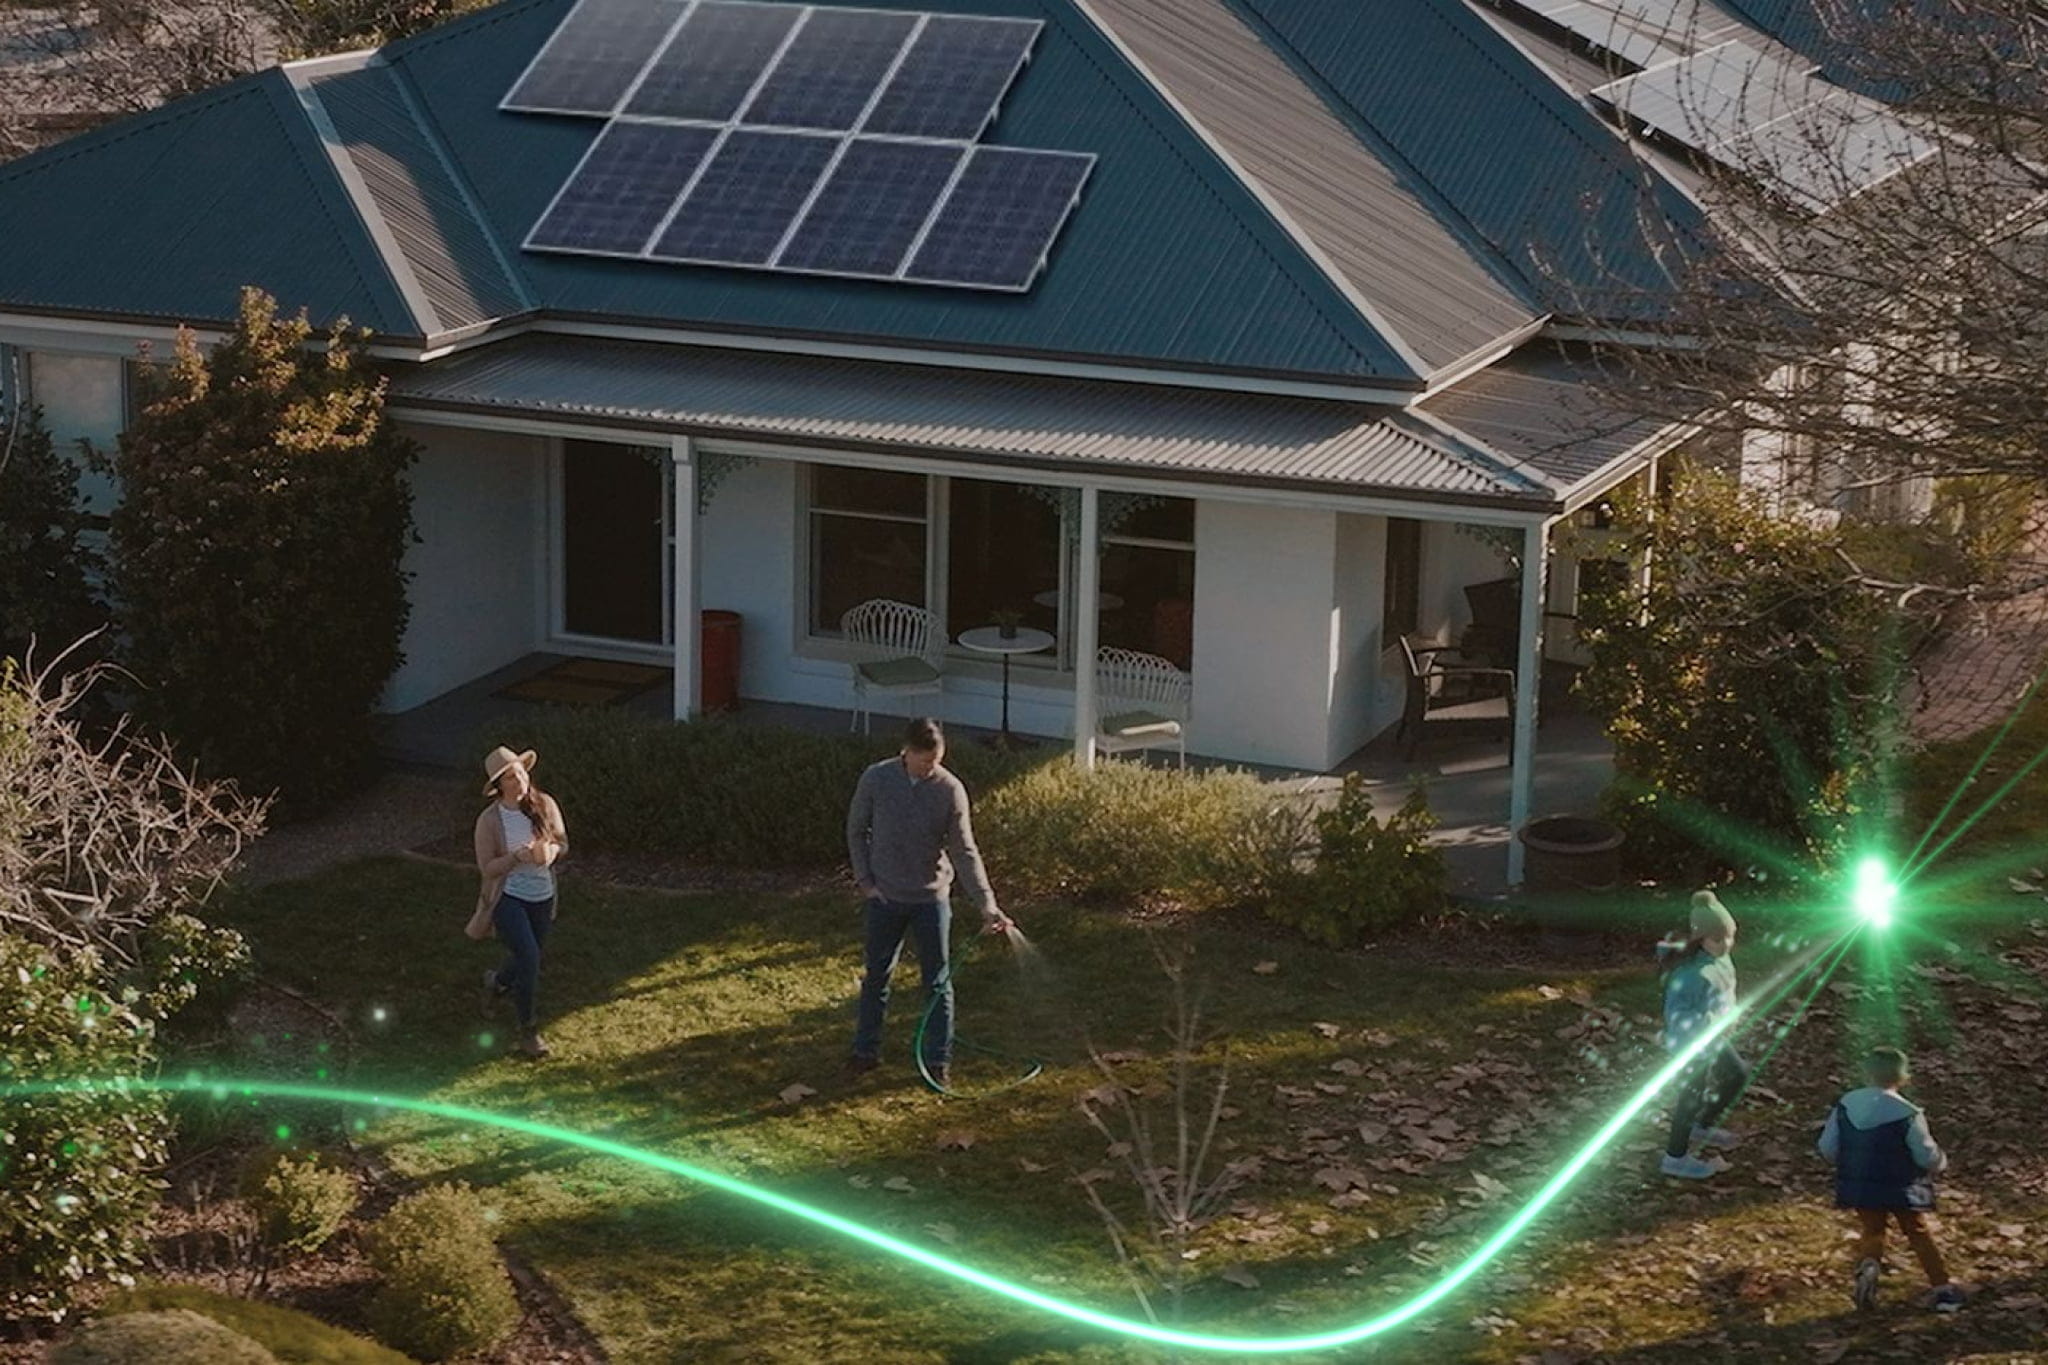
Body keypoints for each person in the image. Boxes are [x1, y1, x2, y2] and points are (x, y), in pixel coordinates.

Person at [845, 717, 1013, 1088]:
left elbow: (965, 851)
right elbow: (856, 830)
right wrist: (866, 882)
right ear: (907, 751)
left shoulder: (949, 790)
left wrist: (987, 903)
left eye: (936, 760)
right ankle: (865, 1052)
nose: (931, 767)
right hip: (884, 897)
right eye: (925, 760)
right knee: (877, 976)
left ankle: (938, 1062)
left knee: (937, 982)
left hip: (930, 899)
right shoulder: (877, 778)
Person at [1818, 1046, 1963, 1313]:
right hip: (1902, 1185)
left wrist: (1847, 1164)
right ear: (1903, 1077)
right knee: (1918, 1232)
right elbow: (1924, 1152)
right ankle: (1942, 1289)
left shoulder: (1846, 1104)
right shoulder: (1907, 1113)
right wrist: (1940, 1163)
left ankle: (1869, 1265)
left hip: (1861, 1182)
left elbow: (1827, 1146)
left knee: (1873, 1230)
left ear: (1866, 1073)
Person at [474, 745, 567, 1059]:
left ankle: (496, 983)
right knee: (529, 958)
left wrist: (550, 852)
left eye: (521, 773)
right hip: (508, 897)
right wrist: (516, 857)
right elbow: (487, 868)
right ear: (499, 786)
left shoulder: (544, 804)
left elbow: (561, 842)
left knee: (528, 954)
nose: (519, 781)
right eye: (511, 777)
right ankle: (528, 1032)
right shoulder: (489, 821)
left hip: (542, 895)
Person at [1656, 889, 1749, 1179]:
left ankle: (1703, 1125)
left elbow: (1724, 993)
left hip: (1715, 1039)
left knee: (1737, 1075)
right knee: (1691, 1094)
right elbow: (1678, 1014)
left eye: (1729, 937)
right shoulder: (1690, 974)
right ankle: (1675, 1157)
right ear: (1701, 939)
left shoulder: (1720, 961)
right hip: (1692, 1043)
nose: (1725, 944)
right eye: (1718, 939)